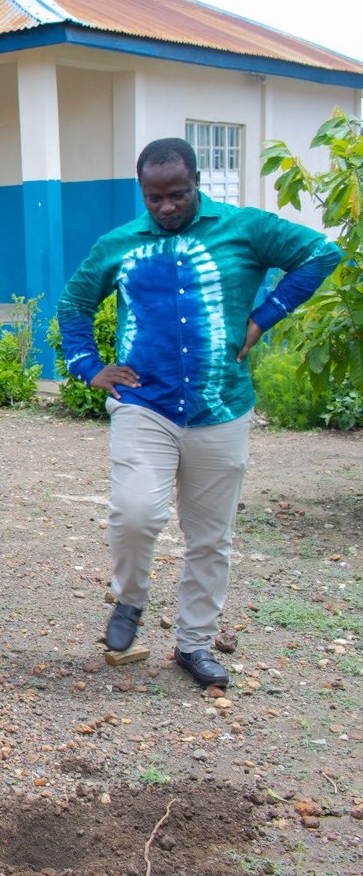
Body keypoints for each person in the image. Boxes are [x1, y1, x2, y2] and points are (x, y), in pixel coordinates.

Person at [57, 137, 341, 689]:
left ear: (196, 184)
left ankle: (193, 643)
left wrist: (264, 317)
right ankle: (130, 600)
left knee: (211, 536)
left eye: (177, 195)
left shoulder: (244, 228)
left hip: (222, 408)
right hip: (146, 403)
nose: (166, 207)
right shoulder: (120, 243)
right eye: (154, 197)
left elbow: (320, 253)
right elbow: (74, 303)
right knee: (136, 512)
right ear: (142, 191)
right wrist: (89, 367)